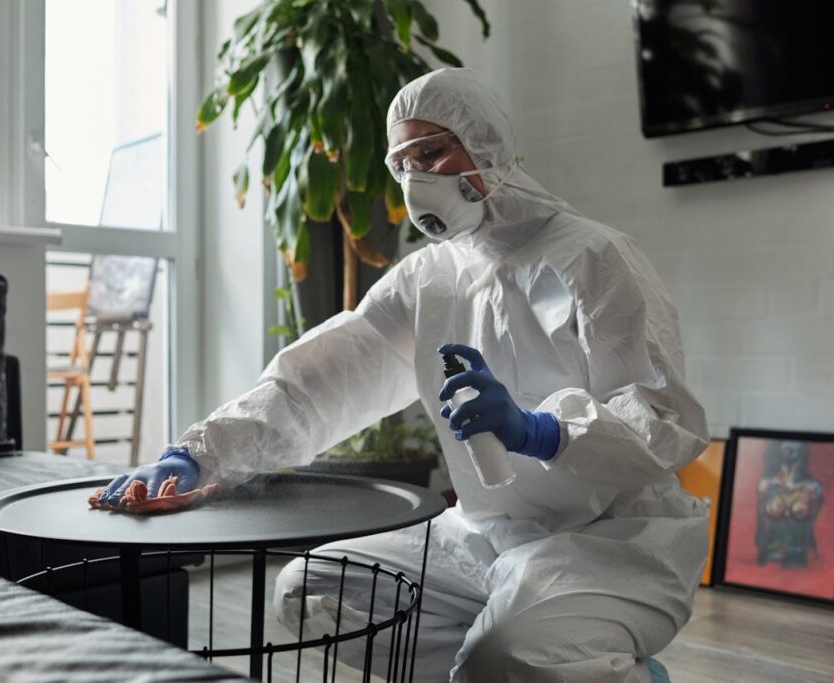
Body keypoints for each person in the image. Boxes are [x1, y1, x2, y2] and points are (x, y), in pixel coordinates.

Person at [97, 68, 708, 682]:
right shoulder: (427, 279)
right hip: (484, 534)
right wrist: (196, 456)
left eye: (432, 152)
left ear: (487, 143)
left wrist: (543, 432)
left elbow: (665, 421)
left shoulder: (594, 255)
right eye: (402, 163)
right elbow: (317, 384)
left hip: (611, 541)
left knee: (506, 654)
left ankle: (599, 673)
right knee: (309, 593)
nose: (417, 179)